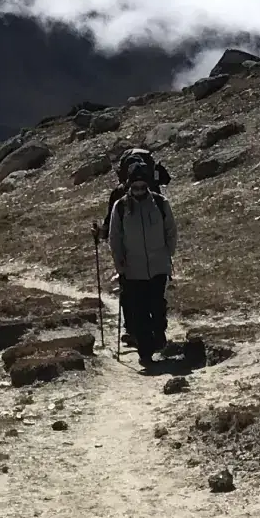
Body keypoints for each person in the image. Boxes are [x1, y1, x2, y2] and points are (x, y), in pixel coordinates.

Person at [101, 147, 177, 372]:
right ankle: (146, 353)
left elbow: (171, 230)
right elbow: (115, 237)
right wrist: (120, 264)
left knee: (157, 305)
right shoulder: (121, 206)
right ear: (129, 186)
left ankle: (158, 335)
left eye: (142, 186)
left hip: (158, 266)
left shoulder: (161, 203)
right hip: (133, 269)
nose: (139, 190)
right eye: (135, 187)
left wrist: (166, 254)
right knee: (140, 309)